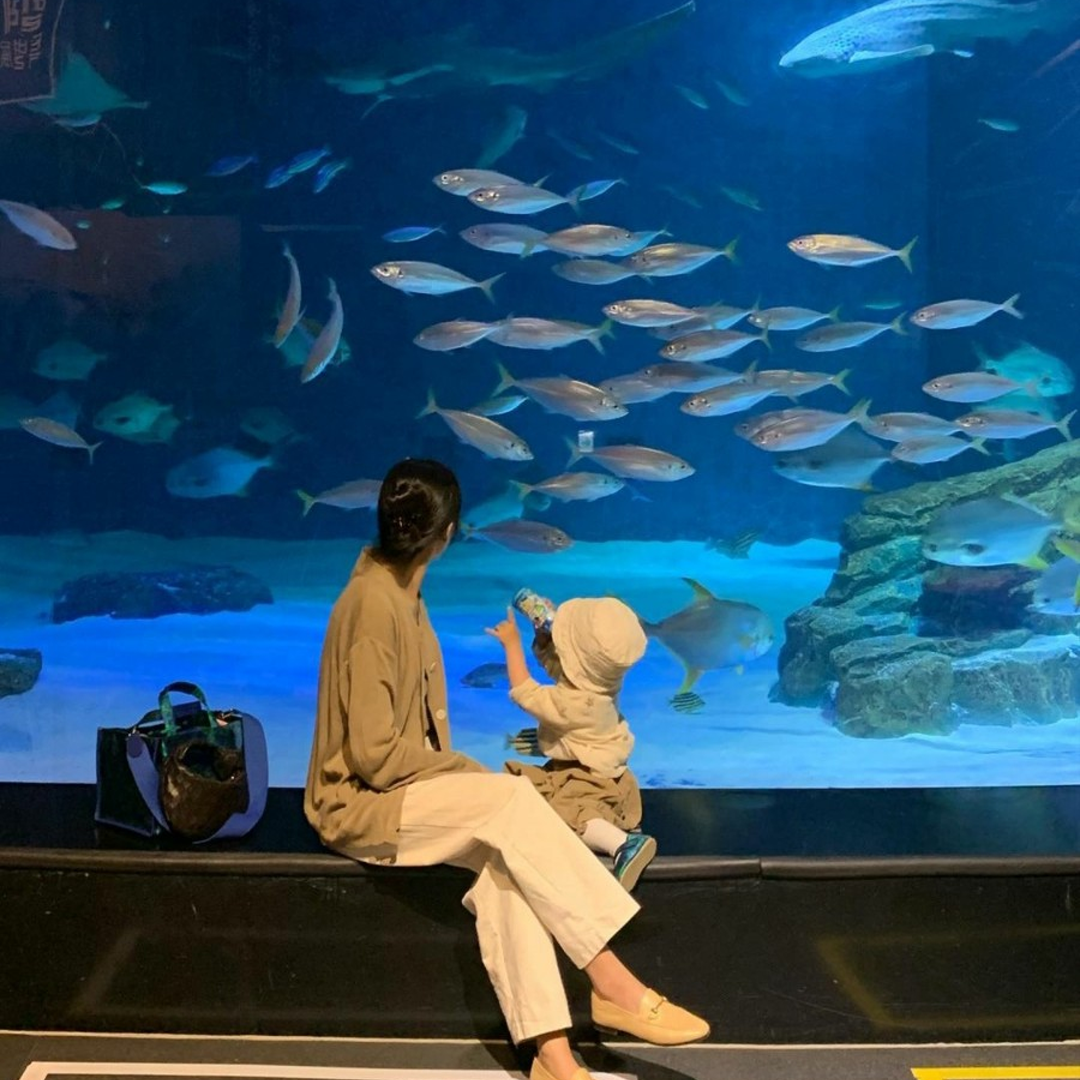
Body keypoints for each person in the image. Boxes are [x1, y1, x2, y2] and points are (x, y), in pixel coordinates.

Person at [305, 458, 710, 1080]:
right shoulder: (374, 608)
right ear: (445, 535)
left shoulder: (398, 591)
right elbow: (371, 755)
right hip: (362, 805)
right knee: (513, 801)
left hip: (403, 789)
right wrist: (461, 771)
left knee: (509, 867)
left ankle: (554, 1060)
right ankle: (611, 982)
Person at [487, 596, 657, 892]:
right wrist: (544, 635)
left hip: (581, 779)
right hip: (609, 776)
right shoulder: (603, 684)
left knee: (570, 816)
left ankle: (624, 845)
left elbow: (525, 691)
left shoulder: (572, 703)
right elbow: (563, 669)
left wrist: (512, 645)